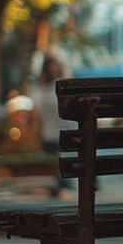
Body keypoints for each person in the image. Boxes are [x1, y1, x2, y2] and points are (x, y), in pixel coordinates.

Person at [33, 54, 75, 192]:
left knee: (59, 163)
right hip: (50, 133)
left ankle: (61, 184)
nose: (52, 69)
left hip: (59, 131)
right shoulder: (43, 89)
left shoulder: (55, 87)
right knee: (55, 164)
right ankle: (60, 185)